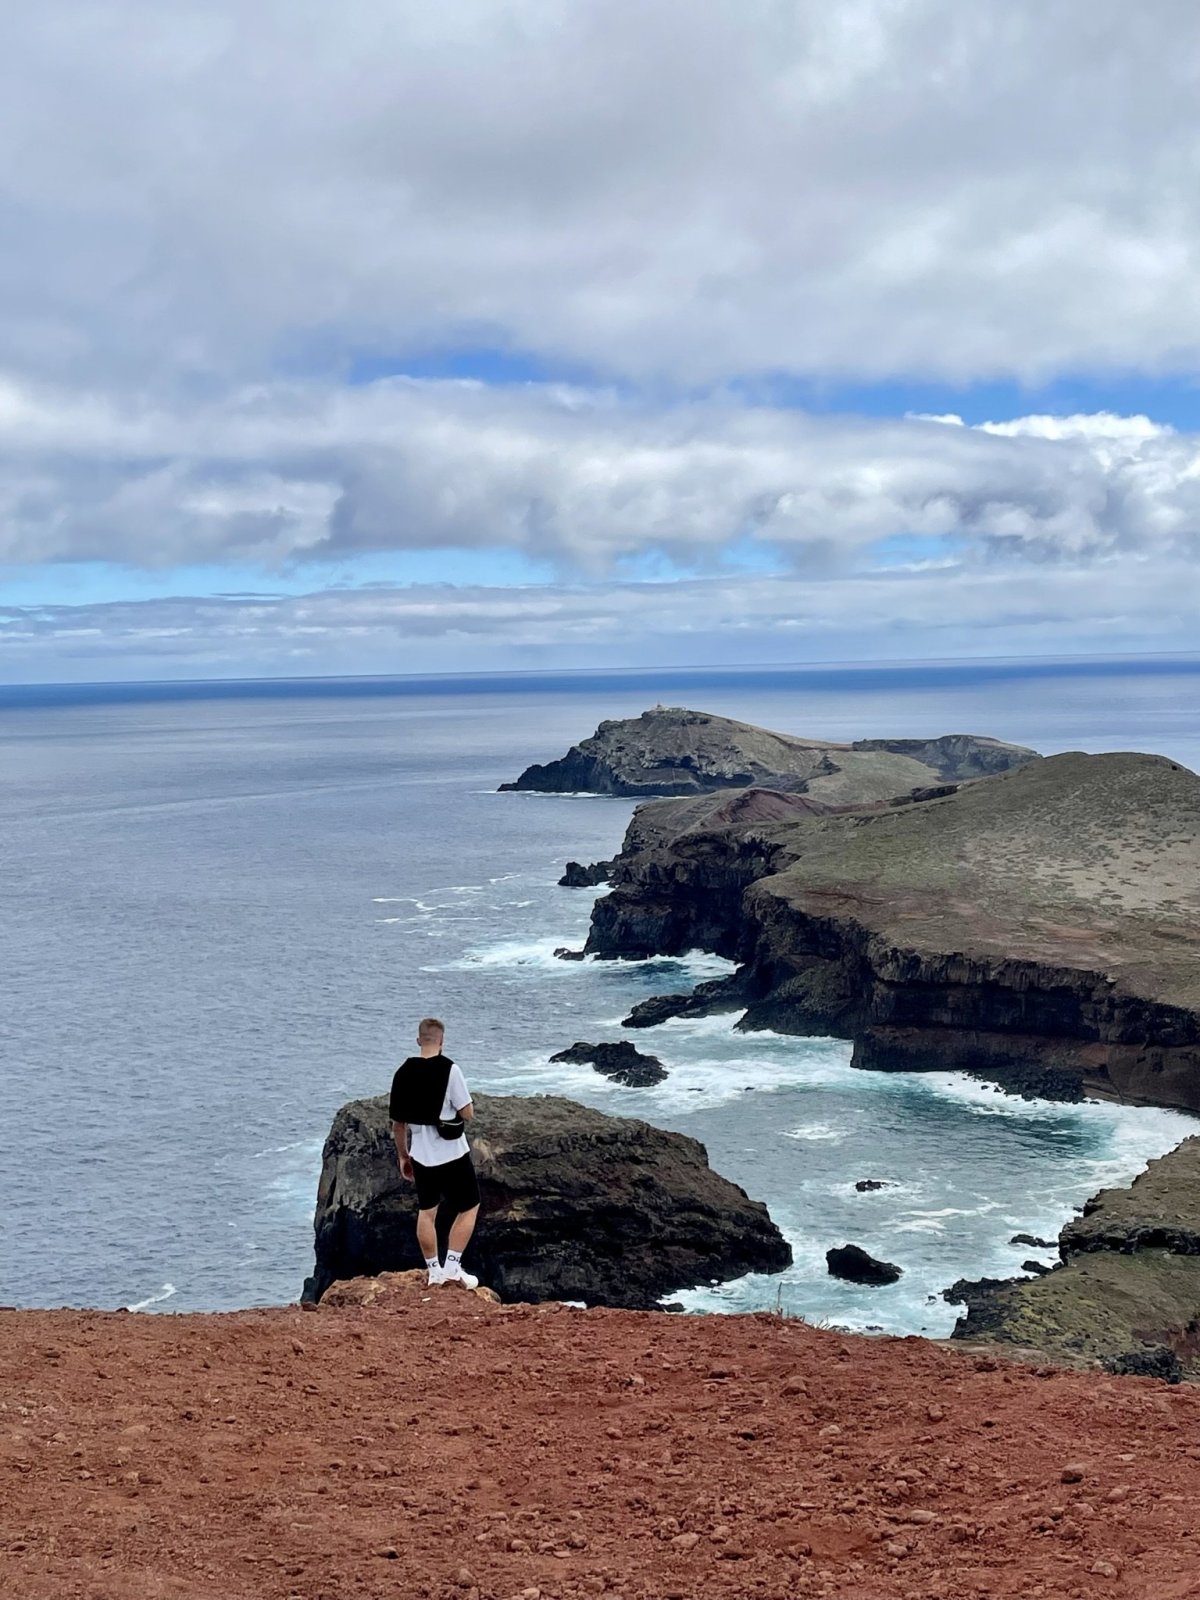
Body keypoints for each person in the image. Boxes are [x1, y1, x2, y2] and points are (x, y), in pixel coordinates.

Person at [388, 1016, 482, 1289]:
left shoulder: (403, 1072)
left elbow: (398, 1125)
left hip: (421, 1154)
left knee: (427, 1212)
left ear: (419, 1040)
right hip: (453, 1152)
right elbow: (467, 1112)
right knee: (469, 1206)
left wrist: (403, 1156)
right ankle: (452, 1267)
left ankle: (434, 1272)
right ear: (442, 1041)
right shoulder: (450, 1069)